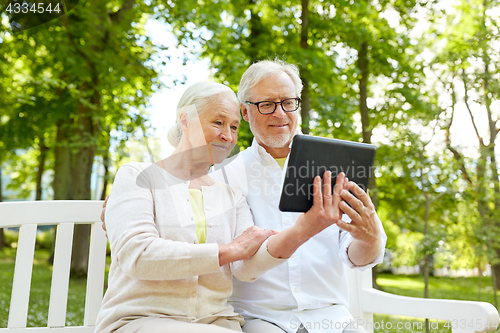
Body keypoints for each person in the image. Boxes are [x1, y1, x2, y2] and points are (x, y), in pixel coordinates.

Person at [95, 81, 352, 333]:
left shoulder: (229, 193)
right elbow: (138, 256)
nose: (227, 136)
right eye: (218, 123)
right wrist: (229, 250)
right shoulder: (138, 176)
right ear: (185, 120)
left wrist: (301, 230)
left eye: (234, 127)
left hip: (216, 323)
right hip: (142, 318)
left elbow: (245, 266)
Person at [208, 60, 387, 333]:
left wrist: (370, 238)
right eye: (267, 104)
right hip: (261, 319)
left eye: (288, 102)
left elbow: (357, 255)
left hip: (332, 319)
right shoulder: (225, 176)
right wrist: (305, 229)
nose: (280, 114)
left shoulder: (336, 165)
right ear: (245, 112)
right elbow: (239, 264)